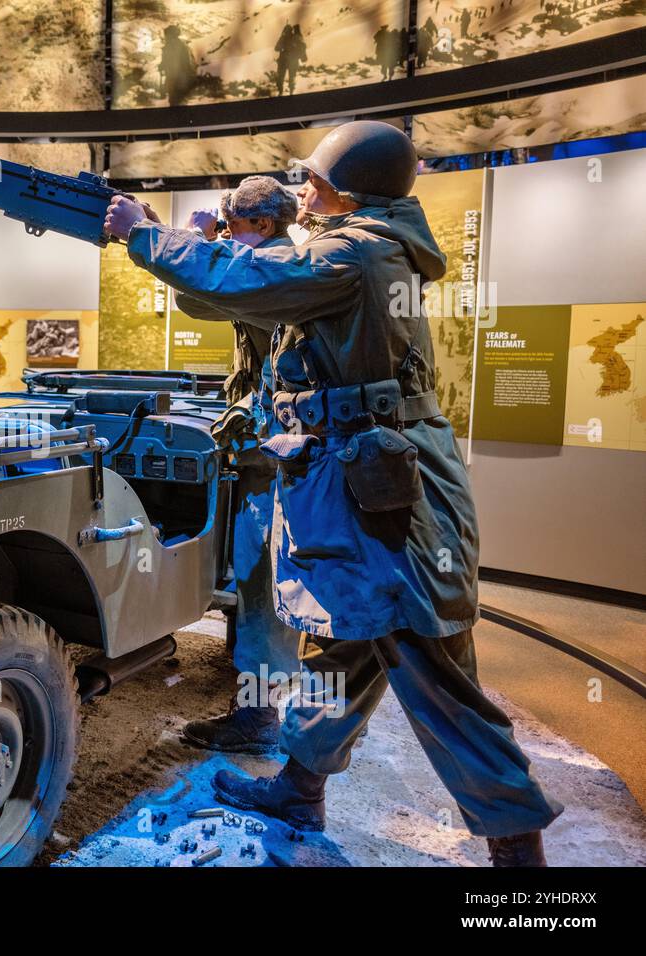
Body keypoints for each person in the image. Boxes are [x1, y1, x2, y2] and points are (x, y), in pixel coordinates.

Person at [103, 121, 562, 867]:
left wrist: (146, 235)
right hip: (364, 486)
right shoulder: (373, 246)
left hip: (385, 505)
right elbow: (239, 296)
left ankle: (519, 856)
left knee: (434, 671)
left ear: (350, 191)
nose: (301, 191)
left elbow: (246, 282)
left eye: (313, 181)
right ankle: (300, 783)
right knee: (341, 648)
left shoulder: (351, 251)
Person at [177, 178, 303, 755]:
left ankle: (257, 717)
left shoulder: (272, 268)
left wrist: (194, 237)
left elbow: (191, 294)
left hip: (276, 456)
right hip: (276, 449)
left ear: (264, 226)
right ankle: (261, 702)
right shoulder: (284, 262)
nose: (228, 238)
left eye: (234, 229)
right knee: (262, 575)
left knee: (261, 578)